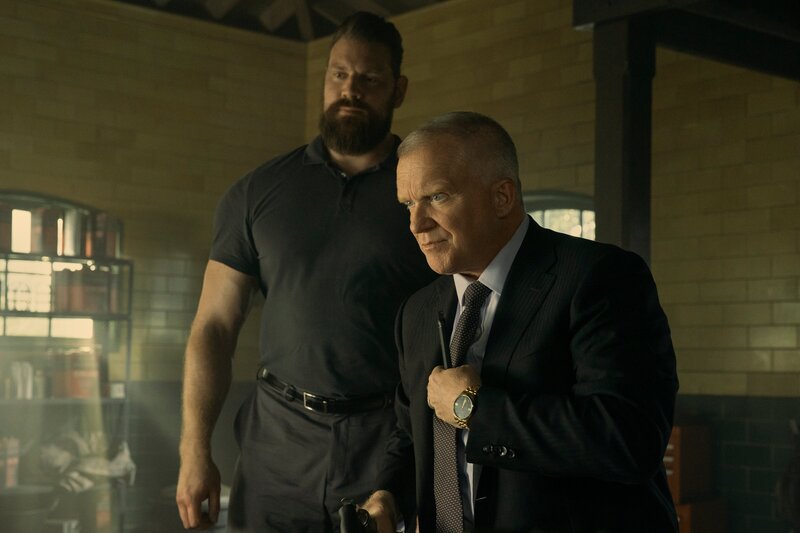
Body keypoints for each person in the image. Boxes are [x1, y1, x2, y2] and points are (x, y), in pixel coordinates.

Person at [175, 12, 436, 532]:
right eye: (339, 74)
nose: (350, 90)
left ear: (399, 90)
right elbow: (214, 327)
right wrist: (194, 450)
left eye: (369, 78)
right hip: (276, 441)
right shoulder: (256, 192)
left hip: (384, 442)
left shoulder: (424, 191)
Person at [362, 111, 680, 532]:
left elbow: (627, 439)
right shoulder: (417, 311)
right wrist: (388, 495)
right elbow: (411, 433)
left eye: (437, 196)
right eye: (408, 203)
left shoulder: (602, 278)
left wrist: (473, 408)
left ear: (502, 197)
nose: (416, 224)